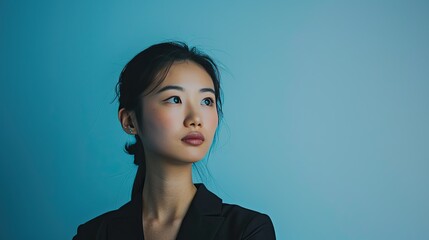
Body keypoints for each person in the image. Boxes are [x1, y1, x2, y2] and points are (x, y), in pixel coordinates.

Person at [72, 41, 276, 240]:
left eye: (206, 101)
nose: (195, 119)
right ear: (130, 121)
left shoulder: (247, 230)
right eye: (174, 99)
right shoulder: (94, 234)